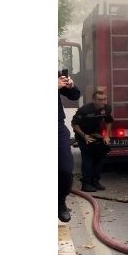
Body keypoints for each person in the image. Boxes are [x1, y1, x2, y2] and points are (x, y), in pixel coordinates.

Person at [72, 88, 114, 192]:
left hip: (96, 135)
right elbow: (74, 124)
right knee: (88, 159)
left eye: (105, 99)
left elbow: (109, 121)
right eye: (100, 99)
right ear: (94, 100)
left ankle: (95, 181)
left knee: (99, 158)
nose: (103, 102)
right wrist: (84, 135)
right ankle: (86, 184)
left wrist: (107, 135)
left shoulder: (107, 108)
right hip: (83, 135)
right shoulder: (85, 109)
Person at [58, 72, 82, 222]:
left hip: (56, 126)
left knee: (65, 170)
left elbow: (74, 96)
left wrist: (71, 86)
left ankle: (60, 203)